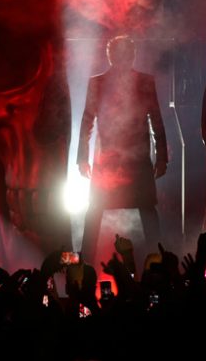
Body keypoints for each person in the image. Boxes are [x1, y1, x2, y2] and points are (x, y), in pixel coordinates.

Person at [77, 35, 168, 261]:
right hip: (109, 160)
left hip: (131, 160)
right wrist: (82, 157)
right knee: (99, 210)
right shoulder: (98, 83)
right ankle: (86, 261)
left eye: (127, 54)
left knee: (143, 209)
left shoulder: (143, 82)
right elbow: (87, 120)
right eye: (121, 54)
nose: (124, 58)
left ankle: (158, 260)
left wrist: (162, 157)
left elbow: (156, 119)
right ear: (111, 56)